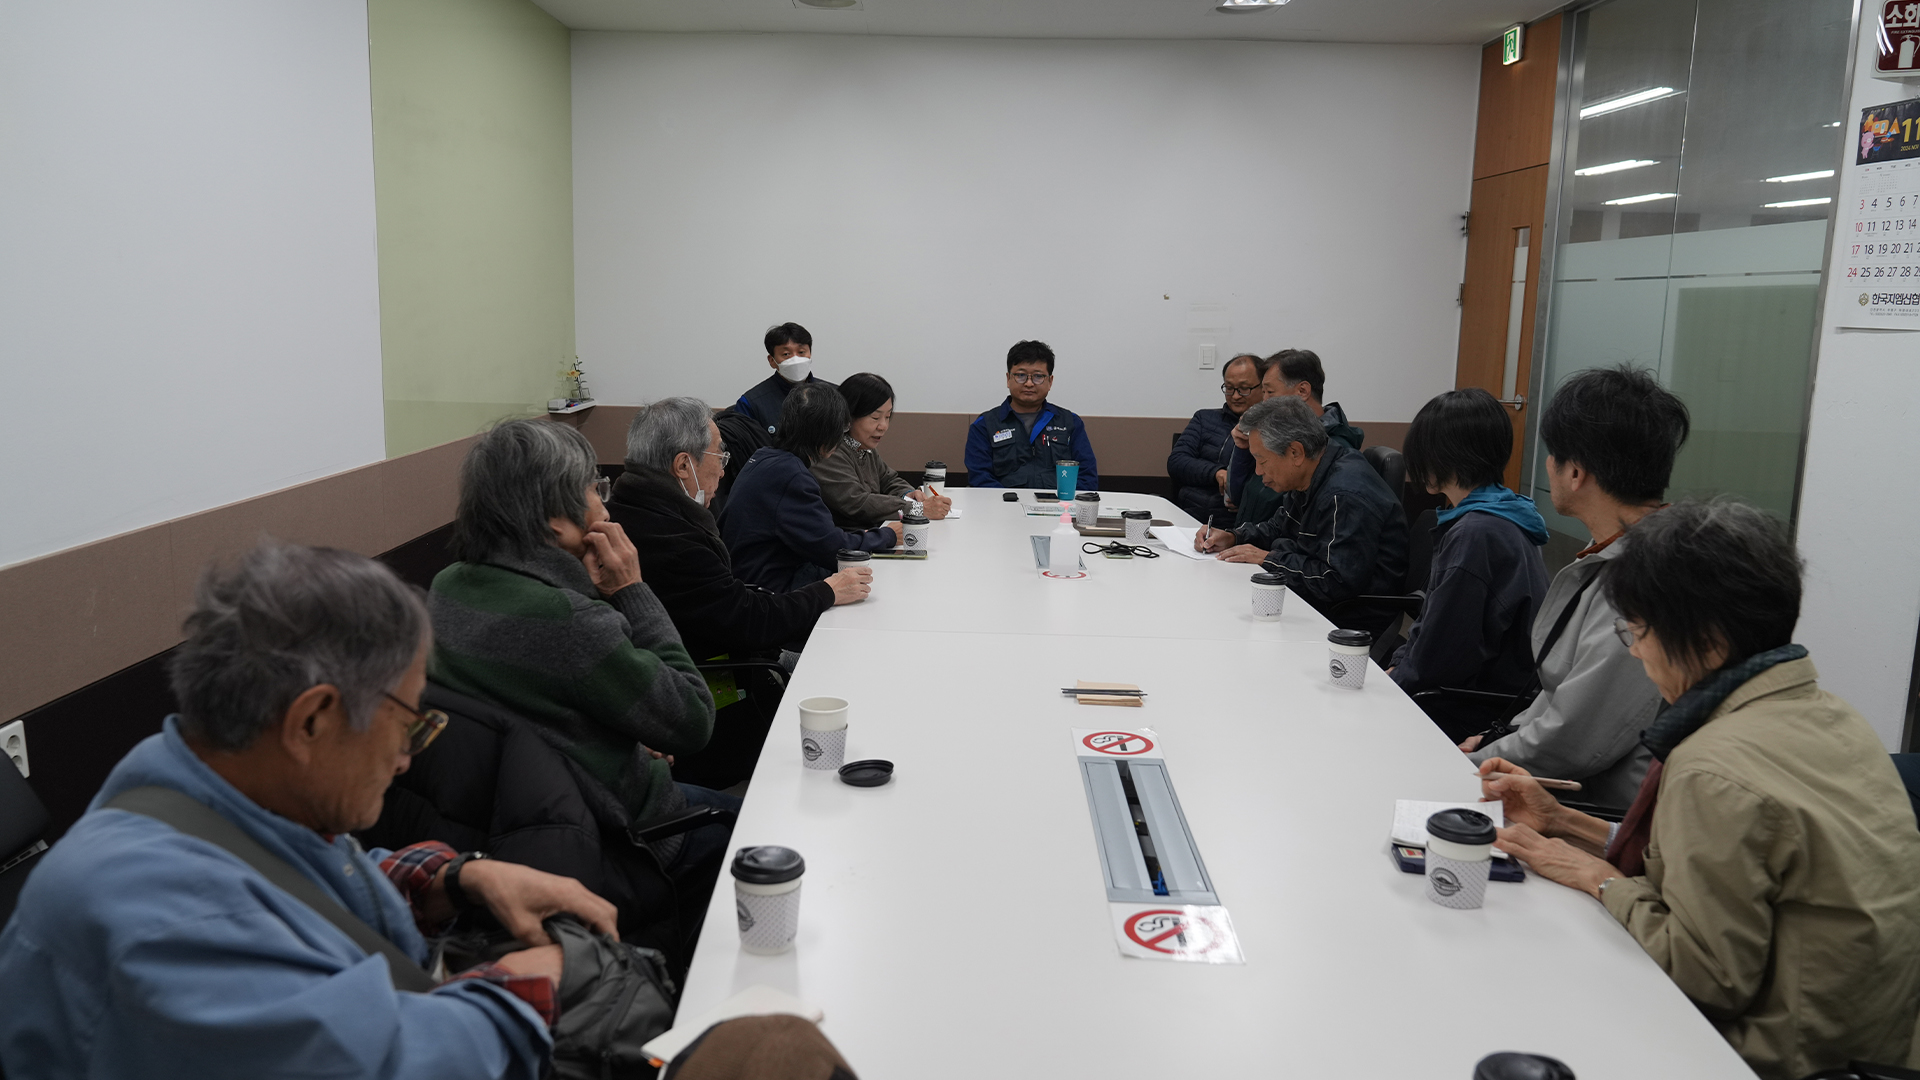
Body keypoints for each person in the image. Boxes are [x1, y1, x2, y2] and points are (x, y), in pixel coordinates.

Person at [0, 541, 621, 1079]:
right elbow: (380, 1065)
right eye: (407, 724)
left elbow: (292, 885)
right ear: (313, 721)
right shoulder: (163, 922)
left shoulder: (201, 786)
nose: (406, 759)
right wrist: (540, 980)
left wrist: (453, 880)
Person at [1481, 500, 1920, 1080]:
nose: (1635, 650)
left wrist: (1597, 877)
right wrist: (1564, 821)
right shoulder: (1831, 715)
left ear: (1709, 643)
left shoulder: (1713, 765)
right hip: (1876, 1042)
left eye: (1639, 630)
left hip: (1776, 1056)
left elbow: (1708, 978)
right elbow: (1724, 867)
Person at [427, 418, 735, 872]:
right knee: (762, 829)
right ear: (553, 518)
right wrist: (631, 589)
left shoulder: (447, 586)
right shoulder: (569, 619)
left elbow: (541, 704)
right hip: (628, 832)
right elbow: (691, 719)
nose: (606, 510)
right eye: (594, 489)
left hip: (517, 823)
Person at [1464, 366, 1689, 811]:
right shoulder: (1613, 550)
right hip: (1558, 778)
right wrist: (1498, 739)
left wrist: (1472, 764)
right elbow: (1559, 694)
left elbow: (1574, 739)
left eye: (1552, 455)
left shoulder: (1649, 581)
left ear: (1575, 473)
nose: (1547, 465)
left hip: (1596, 809)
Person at [606, 397, 871, 662]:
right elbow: (747, 622)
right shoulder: (672, 540)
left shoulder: (624, 509)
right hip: (717, 669)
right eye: (719, 457)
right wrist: (827, 591)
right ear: (683, 465)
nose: (723, 472)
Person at [1388, 389, 1550, 713]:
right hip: (1473, 693)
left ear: (1448, 456)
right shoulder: (1500, 512)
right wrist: (1396, 666)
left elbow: (1440, 658)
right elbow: (1432, 626)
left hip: (1470, 708)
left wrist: (1389, 687)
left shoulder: (1475, 534)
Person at [1198, 396, 1407, 636]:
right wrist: (1234, 537)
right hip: (1314, 604)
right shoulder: (1313, 470)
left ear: (1295, 452)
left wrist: (1268, 559)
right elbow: (1279, 526)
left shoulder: (1344, 495)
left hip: (1344, 623)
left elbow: (1335, 580)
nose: (1258, 471)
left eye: (1261, 460)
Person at [720, 382, 905, 593]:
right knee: (879, 586)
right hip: (770, 587)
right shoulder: (792, 476)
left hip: (755, 573)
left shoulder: (765, 456)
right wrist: (888, 535)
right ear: (826, 432)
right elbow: (832, 549)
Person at [1226, 349, 1361, 532]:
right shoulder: (1275, 436)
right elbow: (1240, 498)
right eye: (1263, 392)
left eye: (1270, 392)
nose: (1264, 402)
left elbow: (1299, 530)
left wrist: (1260, 547)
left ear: (1302, 391)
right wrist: (1243, 450)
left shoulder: (1330, 450)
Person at [813, 372, 952, 529]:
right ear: (848, 416)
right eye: (875, 418)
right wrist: (916, 509)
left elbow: (888, 480)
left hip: (873, 532)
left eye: (887, 417)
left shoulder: (863, 446)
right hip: (849, 538)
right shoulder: (829, 451)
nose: (883, 426)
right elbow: (857, 502)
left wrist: (908, 494)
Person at [713, 322, 837, 497]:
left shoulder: (835, 395)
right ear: (772, 360)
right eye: (786, 354)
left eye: (802, 352)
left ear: (810, 354)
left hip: (834, 486)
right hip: (778, 488)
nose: (796, 359)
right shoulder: (752, 402)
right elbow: (745, 459)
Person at [963, 340, 1099, 490]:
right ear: (1008, 379)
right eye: (1021, 375)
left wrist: (1064, 501)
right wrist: (1008, 501)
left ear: (1050, 381)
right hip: (1004, 503)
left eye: (1038, 376)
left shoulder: (1070, 422)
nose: (1029, 383)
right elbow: (980, 478)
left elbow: (1087, 477)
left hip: (1059, 503)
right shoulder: (985, 425)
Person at [1167, 353, 1265, 520]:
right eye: (1229, 388)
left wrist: (1246, 495)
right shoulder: (1204, 419)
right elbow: (1176, 461)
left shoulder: (1271, 427)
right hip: (1190, 514)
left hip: (1238, 520)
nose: (1235, 396)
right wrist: (1217, 473)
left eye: (1244, 389)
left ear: (1263, 387)